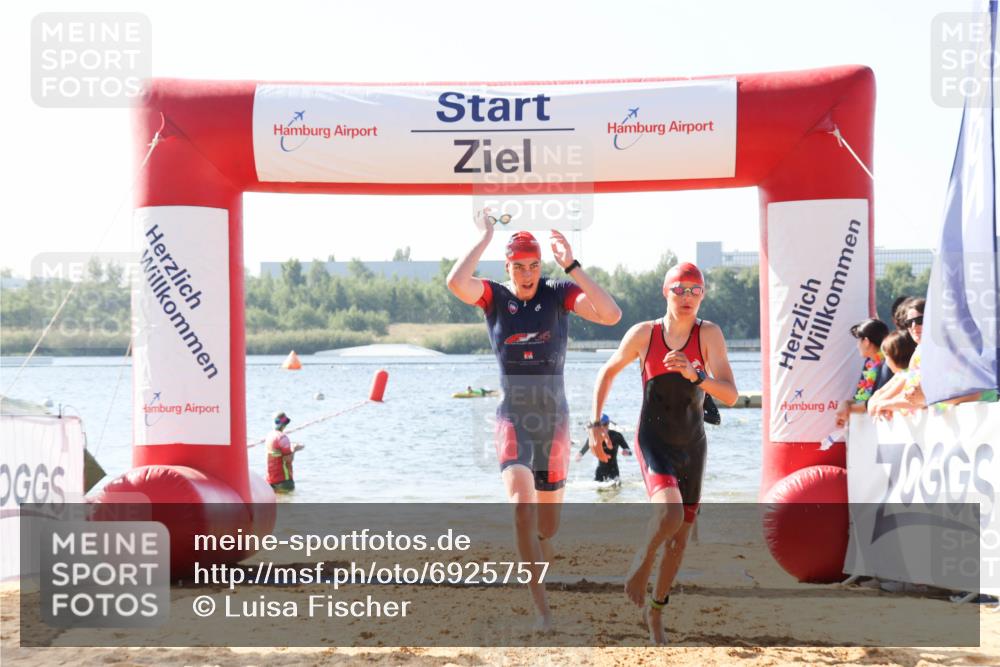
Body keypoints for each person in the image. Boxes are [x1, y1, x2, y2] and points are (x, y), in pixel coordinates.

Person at [446, 209, 622, 630]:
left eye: (533, 265)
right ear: (507, 268)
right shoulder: (493, 297)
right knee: (521, 508)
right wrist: (486, 236)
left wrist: (573, 266)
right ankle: (542, 609)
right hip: (513, 418)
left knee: (548, 527)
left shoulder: (559, 292)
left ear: (541, 266)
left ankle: (538, 567)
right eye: (519, 267)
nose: (527, 274)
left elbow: (611, 314)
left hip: (554, 423)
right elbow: (455, 282)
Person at [588, 262, 737, 645]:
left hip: (693, 445)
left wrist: (697, 376)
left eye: (694, 290)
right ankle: (641, 562)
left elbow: (731, 395)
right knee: (669, 514)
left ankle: (656, 611)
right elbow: (607, 371)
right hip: (653, 439)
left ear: (702, 294)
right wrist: (596, 422)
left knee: (681, 538)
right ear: (665, 292)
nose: (687, 297)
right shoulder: (645, 334)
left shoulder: (709, 335)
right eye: (679, 290)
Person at [833, 318, 893, 428]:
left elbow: (878, 399)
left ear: (866, 342)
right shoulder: (869, 362)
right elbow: (862, 398)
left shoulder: (888, 364)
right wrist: (845, 405)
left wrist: (849, 410)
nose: (857, 345)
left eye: (859, 340)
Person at [575, 414, 631, 483]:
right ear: (597, 426)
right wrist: (579, 455)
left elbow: (629, 450)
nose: (602, 427)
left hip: (614, 471)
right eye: (599, 425)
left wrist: (626, 452)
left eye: (605, 424)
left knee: (615, 491)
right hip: (600, 471)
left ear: (608, 424)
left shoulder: (616, 435)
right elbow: (584, 449)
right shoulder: (594, 437)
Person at [265, 411, 304, 492]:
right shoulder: (282, 438)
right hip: (284, 481)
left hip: (271, 482)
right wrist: (294, 449)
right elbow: (288, 459)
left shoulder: (269, 436)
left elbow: (276, 454)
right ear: (284, 423)